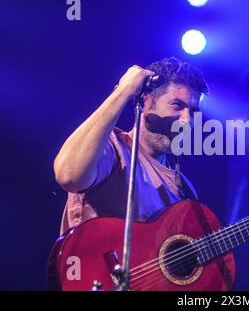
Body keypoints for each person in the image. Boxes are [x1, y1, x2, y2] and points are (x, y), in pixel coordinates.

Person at [54, 57, 208, 235]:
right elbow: (69, 175)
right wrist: (123, 92)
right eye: (177, 105)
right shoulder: (113, 147)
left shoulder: (185, 190)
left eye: (193, 112)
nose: (186, 120)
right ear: (146, 101)